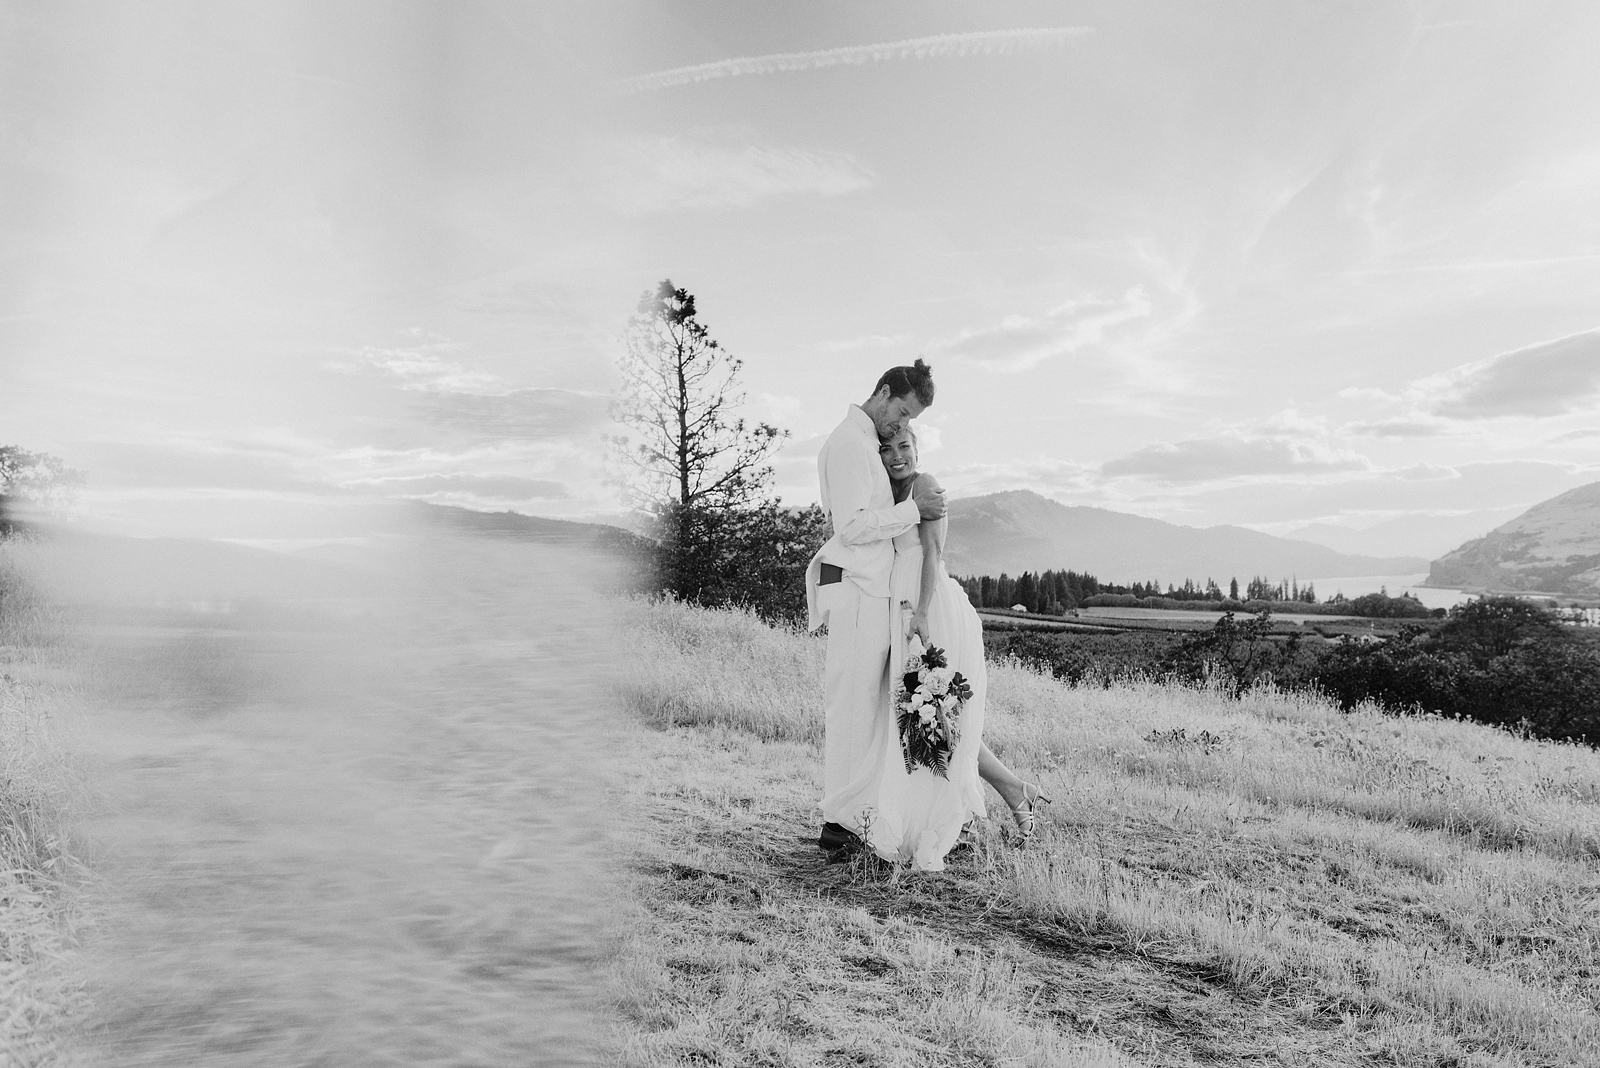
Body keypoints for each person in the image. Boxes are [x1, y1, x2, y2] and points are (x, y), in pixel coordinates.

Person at [824, 424, 1052, 870]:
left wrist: (922, 614)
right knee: (928, 715)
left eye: (904, 446)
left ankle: (984, 802)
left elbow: (931, 556)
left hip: (928, 608)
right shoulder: (888, 494)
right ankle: (1011, 791)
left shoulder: (924, 487)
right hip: (903, 608)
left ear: (917, 448)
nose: (896, 456)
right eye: (886, 449)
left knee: (933, 713)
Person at [805, 360, 946, 854]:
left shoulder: (863, 444)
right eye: (902, 412)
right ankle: (838, 825)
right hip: (860, 592)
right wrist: (914, 510)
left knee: (863, 707)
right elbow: (852, 527)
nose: (902, 426)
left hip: (869, 591)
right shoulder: (849, 443)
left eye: (911, 421)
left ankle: (846, 820)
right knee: (852, 707)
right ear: (884, 392)